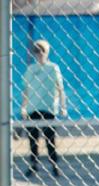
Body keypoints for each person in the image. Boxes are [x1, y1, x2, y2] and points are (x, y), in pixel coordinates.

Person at [21, 39, 67, 177]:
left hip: (48, 109)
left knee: (50, 139)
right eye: (36, 51)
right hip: (33, 108)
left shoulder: (53, 68)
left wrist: (63, 107)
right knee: (33, 139)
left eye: (42, 51)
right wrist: (23, 107)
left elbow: (60, 89)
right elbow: (26, 90)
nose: (39, 54)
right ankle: (34, 165)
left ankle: (54, 165)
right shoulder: (31, 69)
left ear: (47, 52)